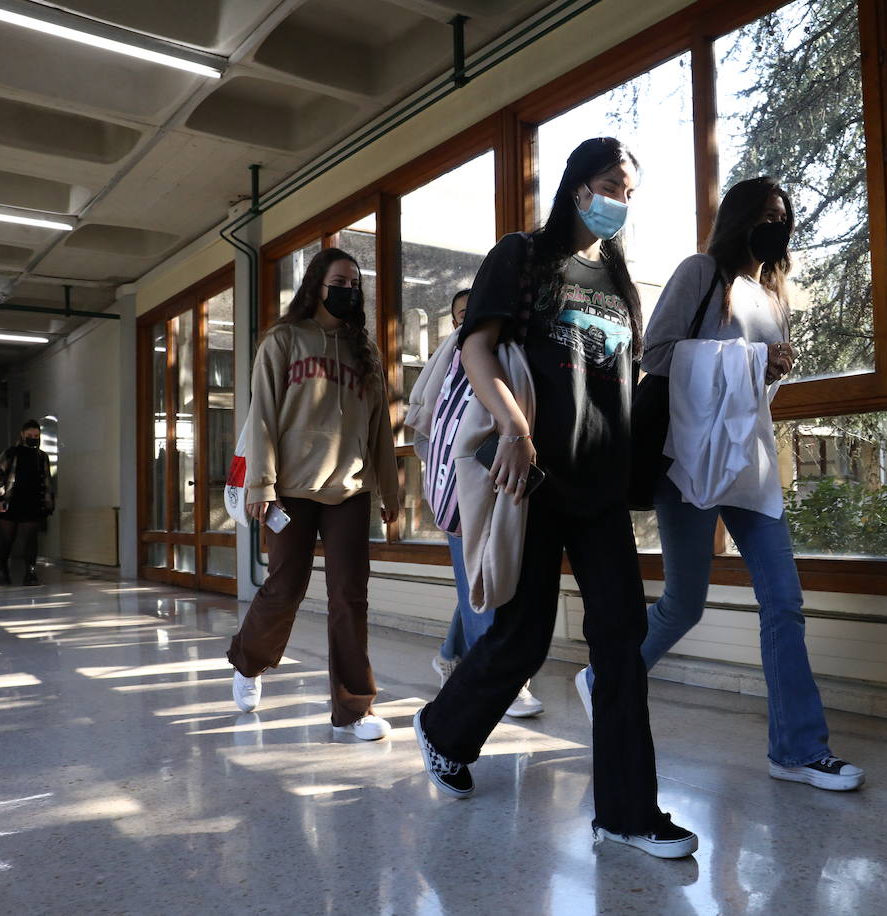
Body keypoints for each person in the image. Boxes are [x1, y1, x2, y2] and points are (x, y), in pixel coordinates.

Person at [413, 137, 699, 860]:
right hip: (532, 478)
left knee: (622, 644)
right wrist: (512, 427)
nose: (620, 202)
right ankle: (445, 729)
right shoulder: (524, 256)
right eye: (611, 185)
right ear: (577, 185)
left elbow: (623, 387)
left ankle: (627, 814)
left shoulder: (620, 284)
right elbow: (479, 347)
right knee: (523, 636)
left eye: (629, 192)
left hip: (600, 487)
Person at [579, 176, 866, 793]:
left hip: (748, 464)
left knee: (784, 599)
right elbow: (655, 354)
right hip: (687, 460)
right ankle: (608, 679)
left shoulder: (769, 296)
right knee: (685, 603)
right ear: (739, 219)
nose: (776, 226)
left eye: (783, 217)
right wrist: (745, 360)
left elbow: (751, 392)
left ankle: (797, 749)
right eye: (766, 215)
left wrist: (768, 368)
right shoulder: (699, 272)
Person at [226, 247, 402, 743]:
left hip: (348, 489)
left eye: (355, 282)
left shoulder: (363, 351)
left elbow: (380, 432)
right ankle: (248, 661)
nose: (349, 289)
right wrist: (261, 482)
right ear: (316, 285)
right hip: (290, 489)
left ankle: (354, 710)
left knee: (350, 596)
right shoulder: (284, 340)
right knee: (286, 586)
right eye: (340, 280)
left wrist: (389, 489)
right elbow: (261, 414)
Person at [431, 288, 543, 719]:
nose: (466, 322)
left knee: (478, 577)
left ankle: (448, 656)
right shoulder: (459, 358)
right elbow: (435, 421)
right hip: (465, 484)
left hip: (504, 479)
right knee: (480, 576)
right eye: (460, 315)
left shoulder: (515, 349)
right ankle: (504, 685)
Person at [0, 423, 54, 585]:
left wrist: (48, 501)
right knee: (7, 539)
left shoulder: (42, 456)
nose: (33, 439)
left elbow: (46, 480)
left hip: (32, 502)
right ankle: (3, 569)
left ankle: (30, 572)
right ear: (22, 434)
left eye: (36, 436)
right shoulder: (11, 453)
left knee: (31, 539)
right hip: (11, 501)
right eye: (30, 436)